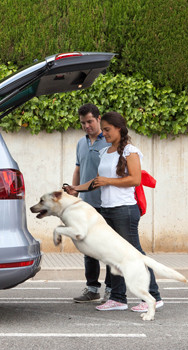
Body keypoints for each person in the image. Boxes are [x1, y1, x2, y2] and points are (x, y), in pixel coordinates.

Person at [65, 111, 163, 312]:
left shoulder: (130, 151)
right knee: (114, 256)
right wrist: (76, 189)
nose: (106, 133)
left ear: (119, 128)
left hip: (125, 210)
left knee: (135, 254)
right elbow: (97, 182)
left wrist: (108, 181)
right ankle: (118, 298)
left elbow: (135, 179)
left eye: (108, 130)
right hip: (107, 210)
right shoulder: (105, 152)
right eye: (106, 130)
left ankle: (154, 296)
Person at [71, 103, 112, 303]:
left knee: (109, 249)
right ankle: (92, 288)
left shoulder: (110, 141)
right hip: (86, 205)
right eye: (82, 123)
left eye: (89, 121)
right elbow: (78, 170)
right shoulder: (81, 143)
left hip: (107, 204)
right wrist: (73, 196)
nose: (86, 126)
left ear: (98, 119)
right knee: (89, 248)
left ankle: (112, 290)